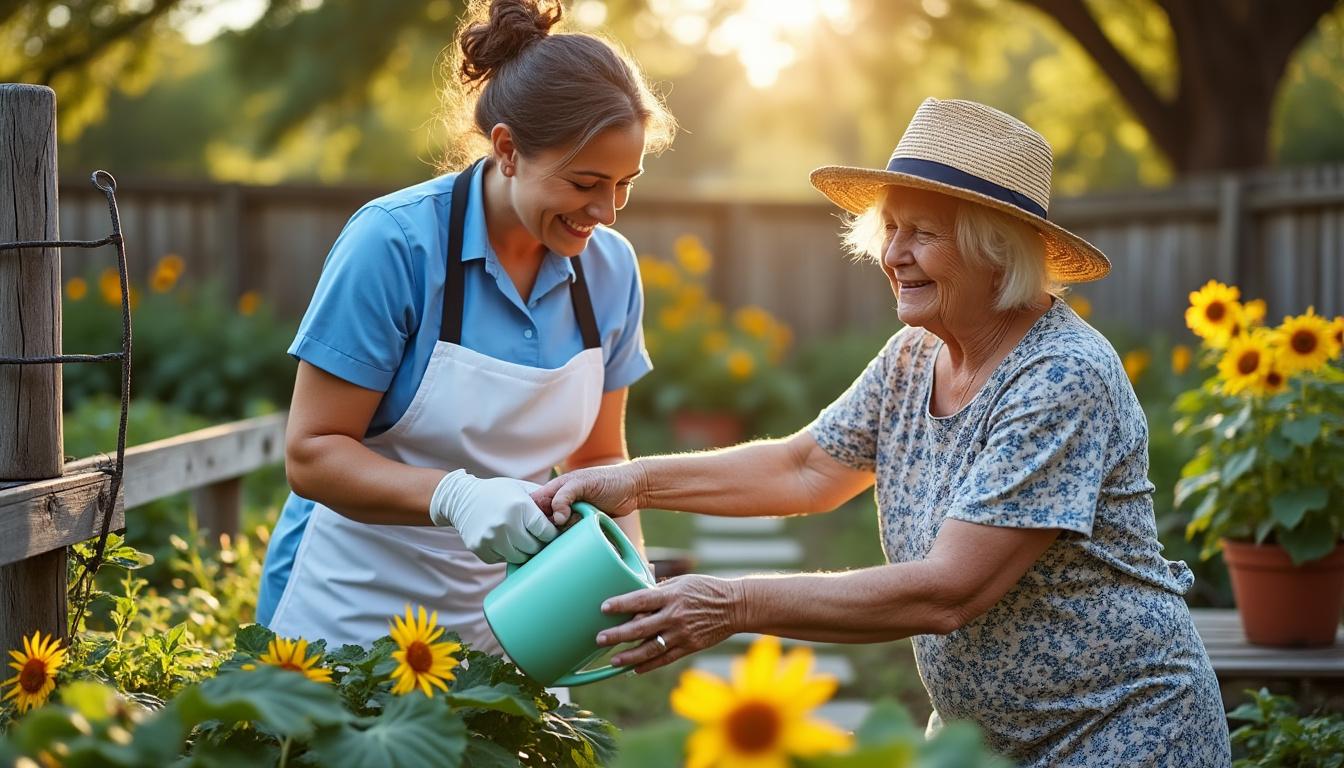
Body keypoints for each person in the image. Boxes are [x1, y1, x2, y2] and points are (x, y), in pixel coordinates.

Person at [534, 98, 1232, 766]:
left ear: (997, 252)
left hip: (1120, 728)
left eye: (922, 233)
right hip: (982, 741)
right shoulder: (916, 354)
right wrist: (634, 481)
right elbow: (805, 468)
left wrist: (733, 602)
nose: (893, 254)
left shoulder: (1059, 377)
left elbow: (949, 591)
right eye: (890, 228)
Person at [257, 0, 675, 657]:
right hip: (350, 616)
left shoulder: (610, 272)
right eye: (586, 182)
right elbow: (313, 453)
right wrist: (456, 497)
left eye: (625, 184)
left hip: (522, 618)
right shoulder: (394, 245)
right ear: (507, 149)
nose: (607, 211)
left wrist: (631, 588)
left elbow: (598, 460)